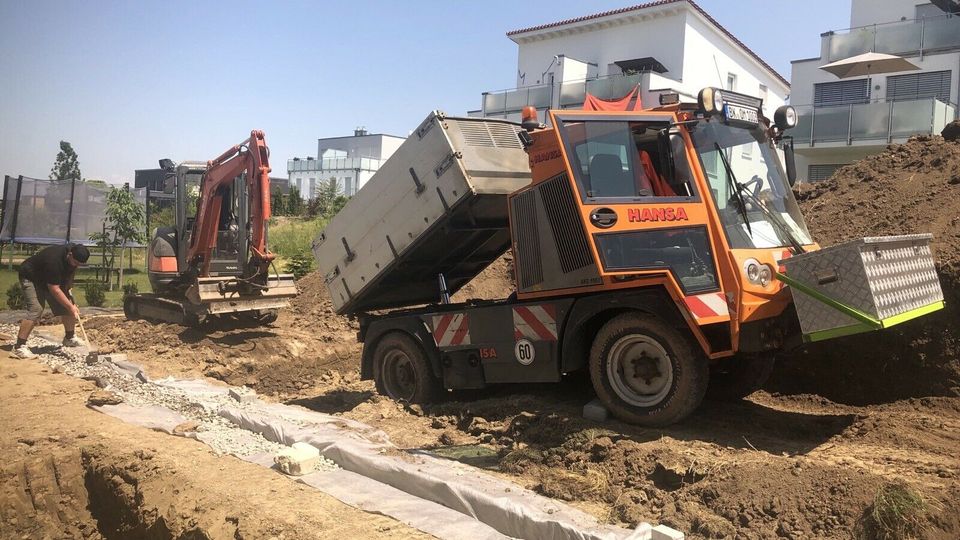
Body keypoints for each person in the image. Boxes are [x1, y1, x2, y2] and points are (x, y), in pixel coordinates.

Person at [12, 243, 91, 359]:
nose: (77, 265)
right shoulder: (53, 261)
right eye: (76, 263)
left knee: (68, 304)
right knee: (36, 309)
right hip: (31, 277)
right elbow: (54, 289)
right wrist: (71, 307)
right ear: (70, 255)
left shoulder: (74, 254)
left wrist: (68, 286)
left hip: (49, 279)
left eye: (80, 264)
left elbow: (71, 270)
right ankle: (18, 347)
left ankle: (69, 338)